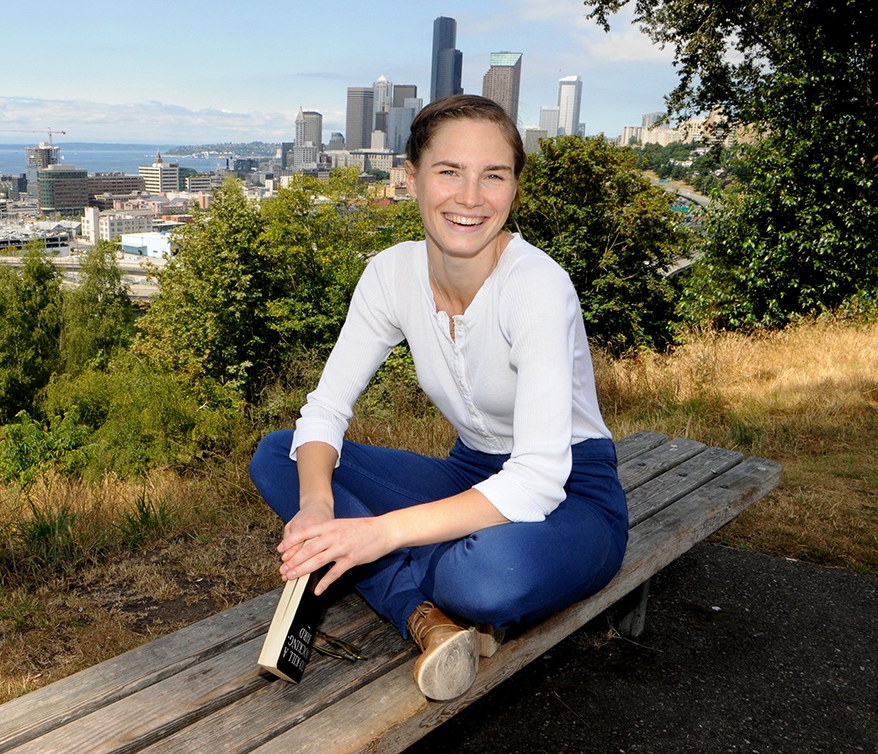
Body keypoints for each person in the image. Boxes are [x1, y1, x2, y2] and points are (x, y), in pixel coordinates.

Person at [249, 94, 628, 701]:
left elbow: (536, 480)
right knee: (279, 456)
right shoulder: (390, 275)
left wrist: (379, 533)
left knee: (486, 575)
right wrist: (319, 504)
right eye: (449, 171)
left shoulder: (536, 286)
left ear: (514, 189)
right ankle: (426, 615)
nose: (470, 197)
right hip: (469, 471)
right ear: (410, 178)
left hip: (574, 493)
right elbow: (324, 411)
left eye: (493, 176)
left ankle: (417, 589)